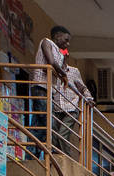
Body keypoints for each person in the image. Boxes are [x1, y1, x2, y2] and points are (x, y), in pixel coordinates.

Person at [31, 26, 93, 156]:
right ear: (58, 36)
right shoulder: (47, 42)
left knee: (41, 125)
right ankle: (51, 153)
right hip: (42, 88)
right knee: (48, 123)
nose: (67, 44)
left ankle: (35, 154)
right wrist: (62, 74)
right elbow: (51, 62)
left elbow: (82, 87)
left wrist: (89, 98)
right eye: (66, 40)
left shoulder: (70, 66)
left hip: (57, 98)